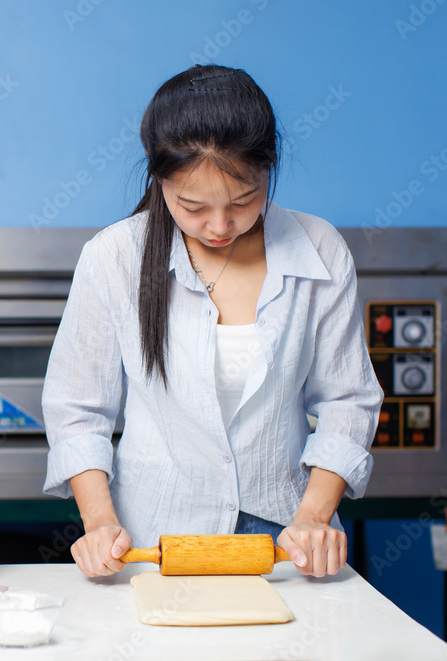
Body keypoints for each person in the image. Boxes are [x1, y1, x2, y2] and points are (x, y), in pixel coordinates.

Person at [42, 64, 383, 580]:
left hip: (286, 545)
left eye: (244, 201)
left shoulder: (320, 250)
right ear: (159, 179)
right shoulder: (114, 257)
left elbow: (347, 401)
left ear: (269, 168)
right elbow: (77, 408)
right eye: (193, 206)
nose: (220, 226)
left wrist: (314, 517)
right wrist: (99, 522)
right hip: (153, 543)